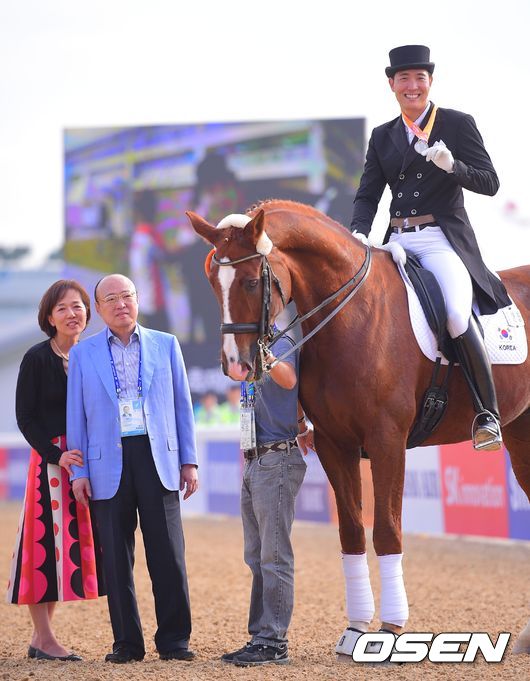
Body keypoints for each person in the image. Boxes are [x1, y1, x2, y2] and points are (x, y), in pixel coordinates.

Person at [350, 44, 511, 452]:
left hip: (440, 239)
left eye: (419, 78)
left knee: (456, 313)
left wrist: (453, 167)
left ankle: (487, 413)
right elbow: (368, 194)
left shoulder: (456, 124)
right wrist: (358, 232)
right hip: (397, 241)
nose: (412, 86)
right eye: (404, 78)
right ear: (392, 84)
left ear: (430, 82)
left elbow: (490, 182)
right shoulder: (382, 135)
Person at [67, 274, 199, 664]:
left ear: (138, 300)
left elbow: (182, 406)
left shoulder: (166, 344)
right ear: (99, 309)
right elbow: (76, 417)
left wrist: (189, 461)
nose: (121, 304)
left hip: (158, 458)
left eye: (127, 296)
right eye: (111, 299)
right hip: (106, 463)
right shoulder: (83, 354)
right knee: (116, 560)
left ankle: (174, 641)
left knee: (169, 555)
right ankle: (127, 643)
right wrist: (79, 473)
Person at [7, 280, 104, 661]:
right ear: (49, 317)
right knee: (43, 547)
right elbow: (25, 417)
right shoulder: (36, 358)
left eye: (77, 306)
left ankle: (40, 638)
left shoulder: (93, 355)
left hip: (85, 461)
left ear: (87, 312)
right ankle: (45, 638)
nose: (71, 313)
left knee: (65, 549)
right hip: (50, 465)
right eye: (61, 308)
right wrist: (55, 455)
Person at [221, 330, 314, 667]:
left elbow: (289, 380)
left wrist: (267, 359)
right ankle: (260, 636)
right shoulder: (253, 347)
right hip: (256, 457)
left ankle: (273, 641)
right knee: (257, 556)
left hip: (276, 458)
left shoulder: (282, 344)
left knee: (273, 555)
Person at [129, 189, 171, 332]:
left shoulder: (137, 233)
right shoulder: (151, 233)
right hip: (155, 300)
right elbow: (167, 256)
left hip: (142, 299)